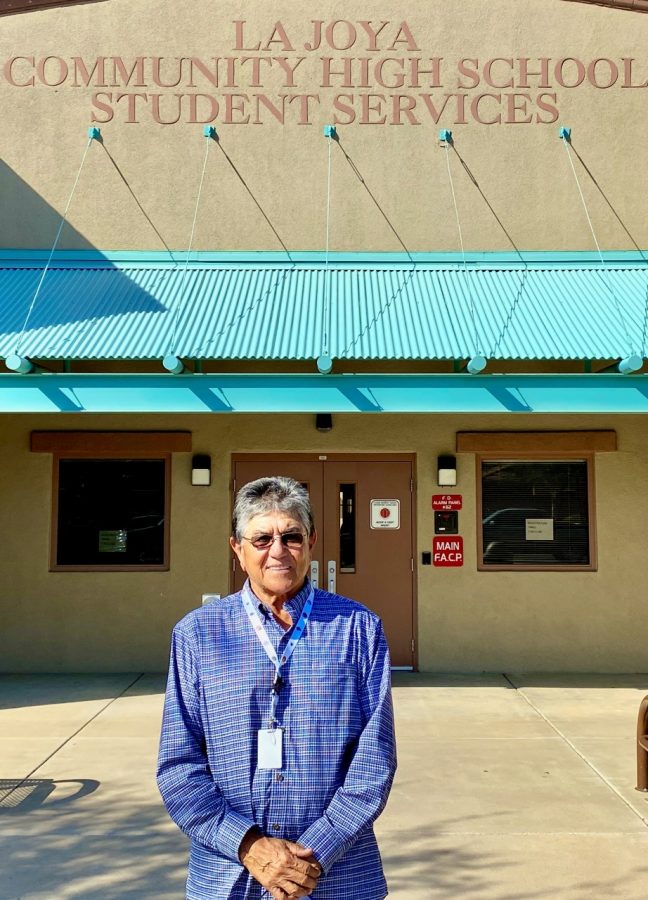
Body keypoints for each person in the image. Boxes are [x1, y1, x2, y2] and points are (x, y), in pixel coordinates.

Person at [157, 475, 397, 900]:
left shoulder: (358, 629)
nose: (278, 551)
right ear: (237, 548)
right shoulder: (197, 635)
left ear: (312, 541)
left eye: (291, 536)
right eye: (262, 539)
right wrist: (249, 847)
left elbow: (374, 760)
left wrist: (314, 853)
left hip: (338, 874)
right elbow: (179, 765)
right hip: (228, 875)